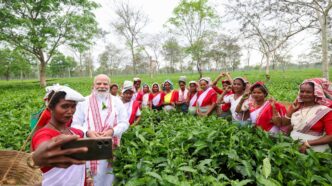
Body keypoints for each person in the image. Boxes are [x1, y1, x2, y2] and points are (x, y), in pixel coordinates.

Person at [71, 74, 129, 186]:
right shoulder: (84, 101)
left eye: (105, 84)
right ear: (93, 85)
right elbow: (75, 124)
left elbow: (124, 123)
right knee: (91, 177)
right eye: (98, 83)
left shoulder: (117, 101)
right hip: (90, 146)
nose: (102, 86)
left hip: (111, 146)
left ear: (109, 86)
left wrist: (112, 131)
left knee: (109, 175)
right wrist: (87, 132)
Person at [31, 86, 89, 185]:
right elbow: (42, 144)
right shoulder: (44, 133)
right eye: (65, 106)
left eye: (73, 106)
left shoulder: (75, 132)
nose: (70, 111)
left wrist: (88, 175)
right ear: (51, 107)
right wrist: (38, 156)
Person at [281, 79, 332, 153]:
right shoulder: (297, 107)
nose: (304, 94)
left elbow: (330, 136)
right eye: (302, 91)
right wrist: (291, 111)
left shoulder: (324, 111)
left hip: (314, 150)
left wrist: (308, 143)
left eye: (308, 92)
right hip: (293, 147)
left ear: (316, 93)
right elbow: (285, 123)